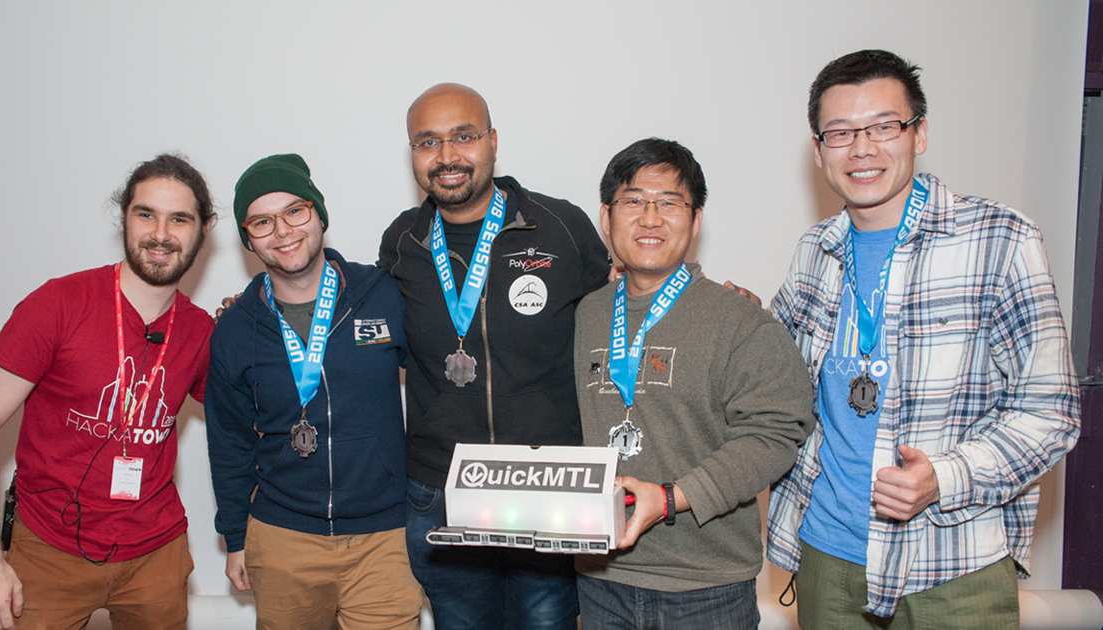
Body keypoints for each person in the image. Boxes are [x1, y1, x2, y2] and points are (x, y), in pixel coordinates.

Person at [765, 49, 1081, 628]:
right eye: (840, 132)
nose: (862, 148)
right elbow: (770, 369)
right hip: (826, 555)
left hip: (952, 562)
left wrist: (946, 477)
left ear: (920, 133)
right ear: (818, 150)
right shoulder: (816, 250)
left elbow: (1050, 412)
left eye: (884, 126)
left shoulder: (1000, 239)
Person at [377, 83, 612, 629]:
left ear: (493, 142)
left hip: (549, 483)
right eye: (428, 142)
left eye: (464, 136)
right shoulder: (403, 242)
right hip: (440, 484)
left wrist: (706, 297)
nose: (447, 156)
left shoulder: (560, 226)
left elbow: (622, 308)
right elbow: (362, 316)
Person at [0, 154, 216, 630]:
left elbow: (251, 416)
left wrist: (256, 323)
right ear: (124, 217)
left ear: (203, 229)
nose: (161, 234)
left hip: (156, 555)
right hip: (47, 550)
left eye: (179, 219)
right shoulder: (57, 304)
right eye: (146, 214)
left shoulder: (201, 331)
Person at [572, 138, 815, 629]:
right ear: (606, 217)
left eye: (669, 203)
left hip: (705, 587)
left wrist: (670, 497)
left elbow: (776, 434)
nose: (650, 218)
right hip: (601, 579)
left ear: (696, 220)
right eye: (633, 201)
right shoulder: (586, 314)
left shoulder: (739, 321)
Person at [205, 154, 421, 630]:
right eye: (262, 222)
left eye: (295, 211)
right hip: (282, 537)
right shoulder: (235, 329)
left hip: (384, 537)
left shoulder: (383, 295)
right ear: (247, 239)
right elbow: (228, 443)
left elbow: (438, 385)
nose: (282, 231)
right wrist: (235, 538)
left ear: (319, 214)